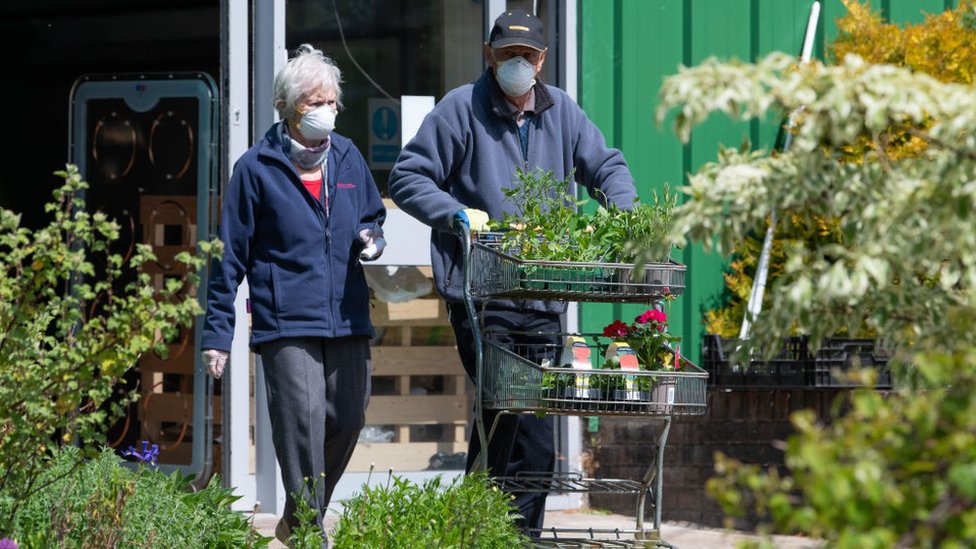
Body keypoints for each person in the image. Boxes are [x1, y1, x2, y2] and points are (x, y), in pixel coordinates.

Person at [388, 9, 637, 536]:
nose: (517, 65)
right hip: (484, 296)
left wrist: (624, 211)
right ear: (488, 55)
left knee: (521, 431)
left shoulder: (561, 113)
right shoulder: (461, 109)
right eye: (507, 55)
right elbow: (408, 177)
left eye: (527, 56)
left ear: (542, 60)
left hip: (543, 295)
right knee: (510, 422)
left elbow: (607, 166)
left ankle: (499, 536)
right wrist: (454, 212)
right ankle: (500, 536)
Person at [200, 44, 386, 547]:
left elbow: (372, 215)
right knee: (302, 423)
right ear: (286, 106)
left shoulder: (347, 157)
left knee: (348, 417)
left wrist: (373, 238)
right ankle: (308, 532)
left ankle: (297, 515)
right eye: (314, 100)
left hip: (347, 314)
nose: (327, 109)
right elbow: (229, 257)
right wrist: (217, 334)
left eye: (331, 100)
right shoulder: (255, 169)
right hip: (287, 320)